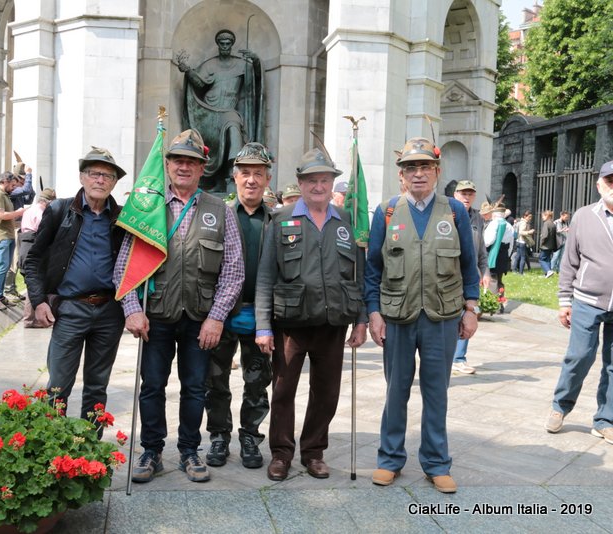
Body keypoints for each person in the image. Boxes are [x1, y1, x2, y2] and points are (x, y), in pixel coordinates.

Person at [115, 129, 244, 483]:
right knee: (152, 386)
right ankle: (151, 451)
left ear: (202, 168)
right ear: (167, 165)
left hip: (200, 319)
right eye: (177, 160)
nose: (184, 167)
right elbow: (124, 266)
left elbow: (233, 270)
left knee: (195, 388)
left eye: (192, 161)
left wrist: (216, 318)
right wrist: (132, 309)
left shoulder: (220, 210)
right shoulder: (148, 208)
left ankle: (189, 450)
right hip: (155, 316)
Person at [365, 137, 479, 494]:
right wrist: (373, 312)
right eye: (410, 167)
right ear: (401, 175)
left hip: (441, 317)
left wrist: (471, 308)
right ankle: (389, 460)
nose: (418, 173)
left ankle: (436, 463)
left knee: (436, 393)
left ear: (436, 171)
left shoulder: (454, 211)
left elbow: (469, 264)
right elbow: (372, 268)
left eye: (425, 166)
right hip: (397, 316)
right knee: (395, 391)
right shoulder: (386, 211)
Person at [255, 147, 368, 482]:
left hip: (333, 324)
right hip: (291, 324)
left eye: (325, 180)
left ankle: (314, 452)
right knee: (283, 391)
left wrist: (361, 320)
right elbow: (265, 275)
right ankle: (281, 454)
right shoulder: (281, 219)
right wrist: (263, 326)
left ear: (332, 184)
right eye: (311, 180)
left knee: (327, 393)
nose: (319, 186)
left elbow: (358, 275)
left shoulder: (346, 220)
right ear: (301, 183)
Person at [23, 148, 126, 421]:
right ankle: (53, 442)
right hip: (70, 309)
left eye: (108, 176)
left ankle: (90, 442)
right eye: (94, 173)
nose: (100, 180)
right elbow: (33, 260)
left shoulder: (122, 218)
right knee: (57, 387)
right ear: (82, 177)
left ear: (114, 182)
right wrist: (39, 301)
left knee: (97, 387)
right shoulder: (60, 210)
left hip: (109, 311)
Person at [204, 142, 274, 470]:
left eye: (258, 173)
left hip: (260, 316)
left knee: (257, 382)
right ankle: (219, 436)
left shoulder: (277, 220)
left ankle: (250, 436)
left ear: (268, 179)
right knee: (215, 381)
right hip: (222, 314)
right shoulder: (218, 216)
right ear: (234, 177)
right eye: (245, 173)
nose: (251, 180)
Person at [545, 160, 613, 445]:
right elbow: (569, 261)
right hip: (587, 299)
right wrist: (564, 301)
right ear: (599, 185)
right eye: (610, 181)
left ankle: (605, 420)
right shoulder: (584, 216)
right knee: (580, 356)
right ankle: (560, 406)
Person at [176, 30, 263, 192]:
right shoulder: (210, 65)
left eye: (227, 44)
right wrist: (187, 70)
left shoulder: (242, 65)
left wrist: (256, 61)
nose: (225, 46)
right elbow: (200, 84)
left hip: (229, 111)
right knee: (218, 135)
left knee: (233, 126)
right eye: (222, 44)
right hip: (208, 111)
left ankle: (231, 174)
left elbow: (256, 80)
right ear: (218, 45)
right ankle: (218, 179)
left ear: (231, 45)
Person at [451, 180, 490, 375]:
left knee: (469, 312)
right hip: (449, 274)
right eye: (463, 193)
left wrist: (485, 271)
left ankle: (459, 358)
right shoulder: (446, 213)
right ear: (455, 195)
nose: (466, 197)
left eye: (470, 194)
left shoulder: (477, 218)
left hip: (469, 275)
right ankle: (448, 355)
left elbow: (481, 248)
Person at [0, 172, 25, 309]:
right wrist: (19, 212)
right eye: (12, 185)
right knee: (2, 267)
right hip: (0, 235)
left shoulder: (4, 195)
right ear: (5, 181)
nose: (14, 188)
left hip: (7, 235)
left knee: (6, 267)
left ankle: (0, 296)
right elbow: (1, 215)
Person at [19, 188, 56, 328]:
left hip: (24, 245)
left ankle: (31, 319)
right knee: (34, 284)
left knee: (32, 283)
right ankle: (30, 319)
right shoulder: (41, 214)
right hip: (33, 246)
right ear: (48, 202)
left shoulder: (29, 210)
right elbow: (44, 233)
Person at [6, 163, 34, 300]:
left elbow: (29, 197)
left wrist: (29, 181)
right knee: (12, 261)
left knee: (17, 260)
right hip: (12, 228)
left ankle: (12, 288)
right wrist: (29, 175)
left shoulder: (19, 191)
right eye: (21, 179)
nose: (24, 182)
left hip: (19, 228)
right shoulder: (12, 191)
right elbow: (26, 190)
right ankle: (8, 290)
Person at [482, 200, 514, 312]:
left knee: (492, 279)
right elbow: (511, 244)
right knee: (499, 280)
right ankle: (500, 303)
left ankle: (493, 304)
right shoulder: (509, 226)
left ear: (494, 214)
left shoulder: (493, 224)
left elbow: (488, 241)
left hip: (493, 254)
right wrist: (507, 256)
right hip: (504, 254)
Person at [539, 210, 557, 277]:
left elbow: (545, 235)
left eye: (543, 216)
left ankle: (548, 271)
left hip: (545, 245)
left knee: (541, 259)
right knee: (547, 259)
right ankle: (548, 273)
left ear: (547, 216)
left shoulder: (546, 223)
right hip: (551, 245)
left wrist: (541, 242)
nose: (542, 218)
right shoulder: (553, 224)